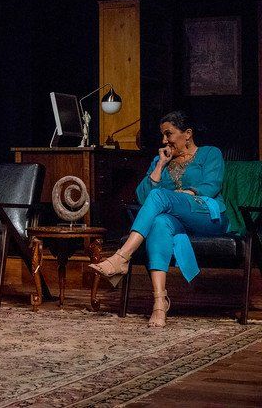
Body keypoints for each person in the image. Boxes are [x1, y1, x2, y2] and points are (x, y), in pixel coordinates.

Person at [89, 111, 229, 327]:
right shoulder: (160, 159)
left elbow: (212, 185)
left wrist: (184, 195)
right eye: (163, 135)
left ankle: (121, 257)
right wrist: (160, 165)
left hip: (206, 214)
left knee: (160, 198)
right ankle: (159, 304)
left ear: (188, 134)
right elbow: (143, 197)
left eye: (169, 134)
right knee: (159, 222)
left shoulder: (210, 153)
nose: (164, 140)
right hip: (175, 220)